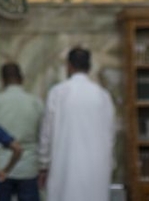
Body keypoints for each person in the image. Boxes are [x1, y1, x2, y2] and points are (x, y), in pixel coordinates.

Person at [37, 48, 115, 201]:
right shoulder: (103, 95)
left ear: (69, 66)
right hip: (96, 169)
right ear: (89, 67)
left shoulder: (58, 93)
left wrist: (43, 164)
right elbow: (111, 135)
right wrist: (110, 164)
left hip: (65, 167)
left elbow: (46, 132)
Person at [0, 63, 44, 201]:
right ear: (22, 78)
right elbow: (43, 135)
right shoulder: (35, 102)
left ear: (2, 80)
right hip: (29, 165)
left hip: (1, 165)